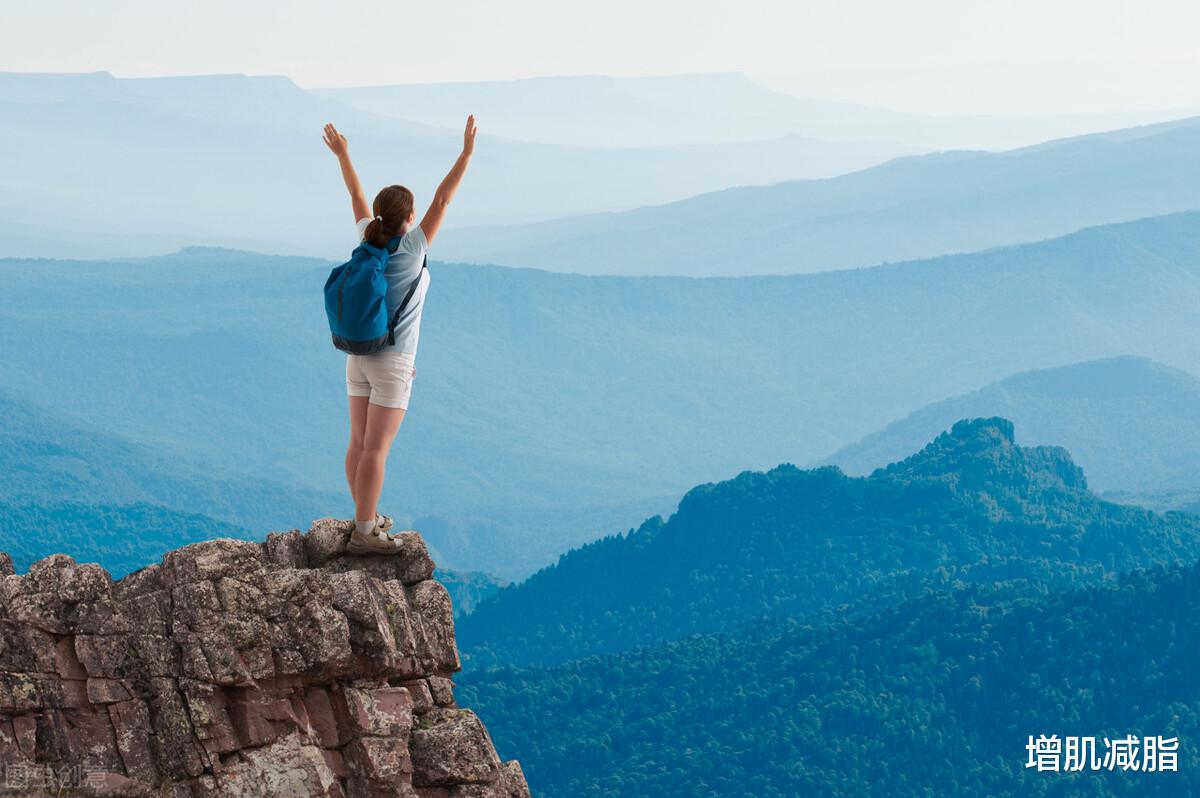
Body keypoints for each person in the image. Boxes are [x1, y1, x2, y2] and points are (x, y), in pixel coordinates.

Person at [322, 115, 477, 553]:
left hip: (357, 357)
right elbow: (443, 199)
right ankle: (365, 533)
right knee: (377, 450)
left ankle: (363, 516)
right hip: (393, 363)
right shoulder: (413, 248)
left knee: (357, 442)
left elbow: (355, 194)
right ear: (409, 218)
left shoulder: (365, 240)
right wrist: (465, 155)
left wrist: (343, 154)